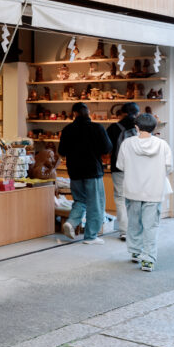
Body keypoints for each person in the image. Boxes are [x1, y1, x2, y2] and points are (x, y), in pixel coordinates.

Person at [116, 113, 172, 272]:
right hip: (154, 191)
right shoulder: (162, 145)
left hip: (132, 190)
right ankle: (148, 260)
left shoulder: (127, 144)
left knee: (134, 223)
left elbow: (121, 166)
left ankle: (135, 252)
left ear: (136, 127)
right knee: (151, 225)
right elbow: (169, 167)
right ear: (155, 128)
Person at [58, 102, 113, 244]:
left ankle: (71, 222)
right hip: (92, 171)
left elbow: (62, 152)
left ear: (74, 114)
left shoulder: (67, 129)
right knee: (95, 203)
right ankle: (91, 236)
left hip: (74, 171)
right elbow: (107, 148)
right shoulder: (97, 128)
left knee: (79, 200)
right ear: (88, 112)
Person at [107, 102, 139, 242]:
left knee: (120, 198)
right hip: (137, 169)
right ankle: (136, 229)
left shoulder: (113, 128)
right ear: (136, 113)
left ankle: (124, 231)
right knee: (135, 198)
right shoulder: (141, 128)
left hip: (118, 167)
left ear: (122, 113)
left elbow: (107, 147)